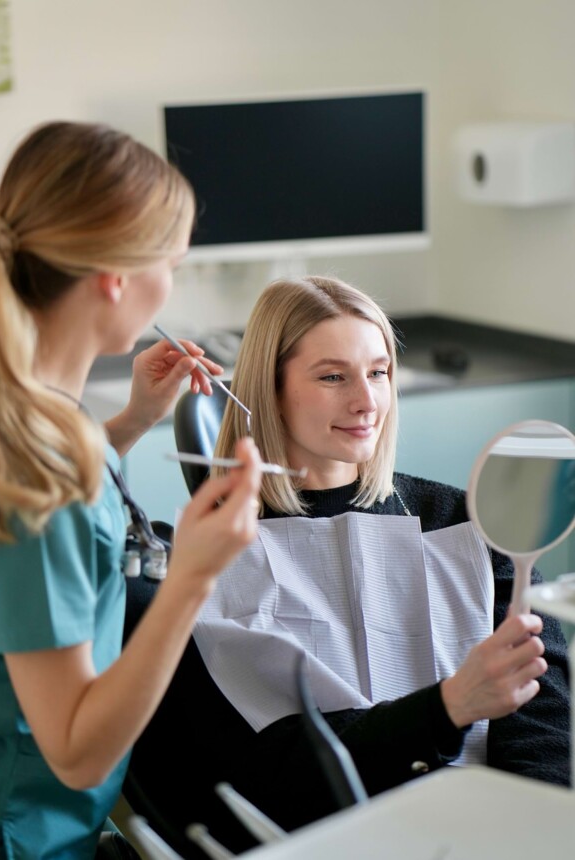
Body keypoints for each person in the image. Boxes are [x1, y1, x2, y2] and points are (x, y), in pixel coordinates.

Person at [127, 275, 570, 858]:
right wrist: (449, 705)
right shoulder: (204, 556)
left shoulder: (471, 527)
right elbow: (269, 776)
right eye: (333, 376)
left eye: (379, 372)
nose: (367, 402)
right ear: (268, 389)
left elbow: (545, 731)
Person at [0, 120, 262, 860]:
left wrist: (129, 425)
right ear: (115, 279)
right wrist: (192, 577)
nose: (173, 284)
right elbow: (75, 750)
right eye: (172, 263)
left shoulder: (24, 413)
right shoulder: (31, 465)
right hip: (18, 837)